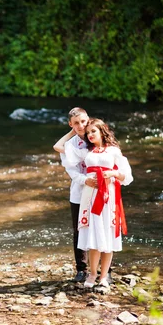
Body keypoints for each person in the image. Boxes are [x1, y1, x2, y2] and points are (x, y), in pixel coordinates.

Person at [61, 118, 133, 288]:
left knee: (107, 233)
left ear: (102, 131)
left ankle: (103, 277)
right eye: (88, 133)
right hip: (90, 195)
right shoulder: (86, 151)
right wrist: (73, 132)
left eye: (93, 131)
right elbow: (60, 147)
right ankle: (92, 274)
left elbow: (127, 176)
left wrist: (113, 174)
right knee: (92, 234)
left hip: (109, 195)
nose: (90, 135)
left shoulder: (114, 151)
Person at [52, 107, 98, 282]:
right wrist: (84, 180)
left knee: (100, 227)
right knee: (79, 230)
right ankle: (81, 269)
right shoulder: (69, 146)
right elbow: (71, 171)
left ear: (89, 120)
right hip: (79, 192)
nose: (81, 125)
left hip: (99, 191)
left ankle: (104, 269)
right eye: (76, 123)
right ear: (71, 125)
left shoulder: (97, 138)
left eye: (83, 121)